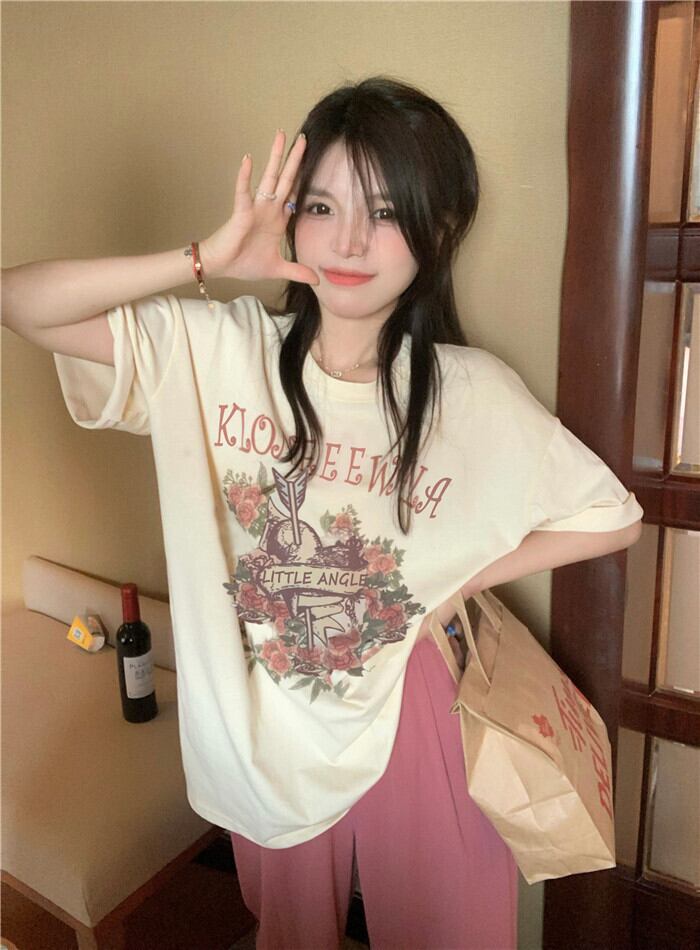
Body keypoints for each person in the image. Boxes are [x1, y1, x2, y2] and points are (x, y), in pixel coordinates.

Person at [2, 76, 643, 949]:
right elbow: (18, 302)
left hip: (412, 702)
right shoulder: (218, 350)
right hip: (263, 722)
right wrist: (204, 258)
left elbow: (613, 517)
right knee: (290, 935)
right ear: (292, 218)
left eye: (384, 211)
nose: (348, 241)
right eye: (321, 205)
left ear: (437, 228)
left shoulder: (469, 393)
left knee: (445, 932)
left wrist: (451, 583)